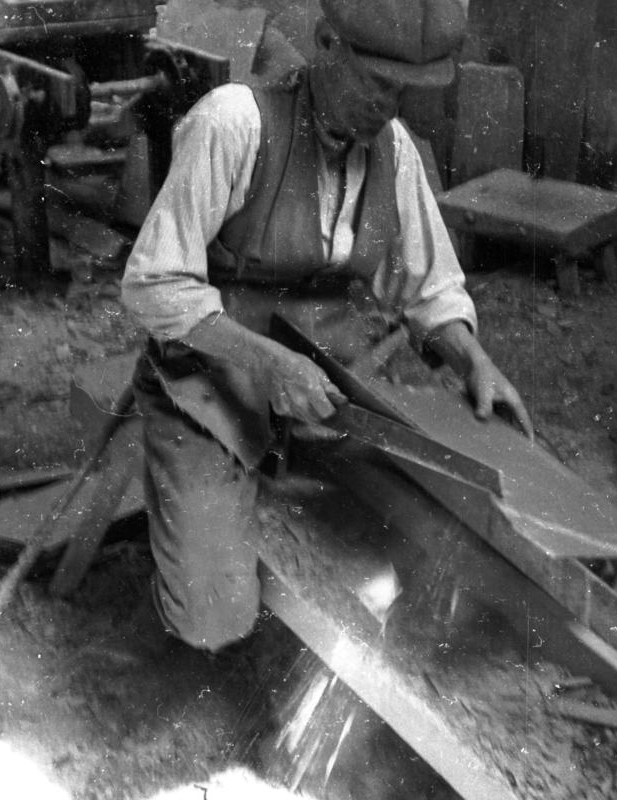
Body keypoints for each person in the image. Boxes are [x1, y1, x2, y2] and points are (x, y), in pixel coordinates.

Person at [120, 0, 533, 652]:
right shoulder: (234, 122)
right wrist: (267, 362)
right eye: (377, 82)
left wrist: (471, 359)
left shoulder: (393, 150)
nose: (387, 106)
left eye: (403, 91)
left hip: (330, 391)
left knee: (438, 533)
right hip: (213, 389)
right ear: (326, 42)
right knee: (212, 619)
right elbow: (153, 284)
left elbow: (429, 286)